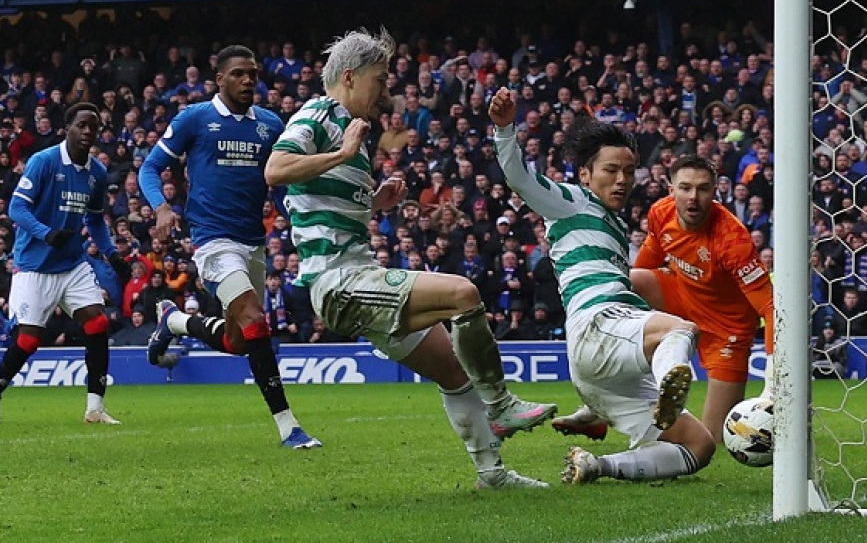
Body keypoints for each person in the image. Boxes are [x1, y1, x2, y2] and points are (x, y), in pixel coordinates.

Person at [263, 28, 554, 489]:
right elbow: (276, 169)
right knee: (463, 293)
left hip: (359, 276)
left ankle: (493, 477)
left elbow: (321, 206)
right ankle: (500, 404)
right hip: (337, 282)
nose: (385, 91)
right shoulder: (318, 116)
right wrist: (341, 152)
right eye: (379, 80)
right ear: (351, 76)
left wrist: (375, 203)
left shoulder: (351, 129)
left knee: (453, 371)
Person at [489, 87, 716, 484]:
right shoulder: (573, 201)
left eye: (629, 171)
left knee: (699, 447)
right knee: (680, 330)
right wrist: (505, 129)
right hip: (600, 324)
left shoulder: (615, 226)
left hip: (600, 369)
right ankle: (669, 383)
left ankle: (599, 465)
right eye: (610, 170)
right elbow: (520, 179)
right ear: (585, 175)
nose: (622, 180)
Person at [140, 45, 320, 449]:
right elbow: (151, 167)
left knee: (239, 342)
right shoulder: (195, 118)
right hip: (212, 241)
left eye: (253, 74)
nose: (247, 81)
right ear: (219, 78)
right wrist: (162, 208)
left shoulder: (271, 124)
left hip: (252, 241)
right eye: (238, 74)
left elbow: (286, 179)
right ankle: (289, 426)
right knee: (257, 319)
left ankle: (175, 322)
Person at [552, 154, 775, 443]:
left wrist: (772, 385)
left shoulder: (733, 240)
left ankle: (611, 409)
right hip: (680, 299)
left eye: (703, 189)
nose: (693, 197)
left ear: (716, 192)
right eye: (685, 188)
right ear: (671, 189)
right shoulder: (661, 213)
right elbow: (643, 267)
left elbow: (771, 308)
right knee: (629, 280)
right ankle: (601, 405)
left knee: (713, 437)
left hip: (727, 329)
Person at [0, 102, 133, 423]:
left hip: (72, 264)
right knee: (29, 340)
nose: (88, 132)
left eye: (94, 127)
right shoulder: (44, 162)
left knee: (98, 324)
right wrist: (46, 234)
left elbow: (96, 220)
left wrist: (112, 254)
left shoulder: (97, 173)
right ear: (68, 128)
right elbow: (17, 209)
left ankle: (95, 408)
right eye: (82, 125)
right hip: (35, 264)